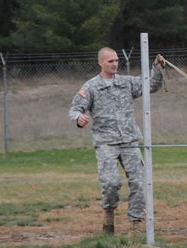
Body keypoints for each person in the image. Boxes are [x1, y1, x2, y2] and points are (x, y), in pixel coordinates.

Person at [69, 47, 165, 235]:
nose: (115, 64)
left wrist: (158, 67)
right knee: (111, 183)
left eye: (116, 61)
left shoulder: (126, 83)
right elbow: (75, 109)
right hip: (106, 143)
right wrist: (79, 119)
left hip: (129, 141)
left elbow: (151, 85)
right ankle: (109, 214)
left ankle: (135, 225)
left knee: (138, 182)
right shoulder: (91, 87)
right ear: (101, 63)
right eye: (110, 61)